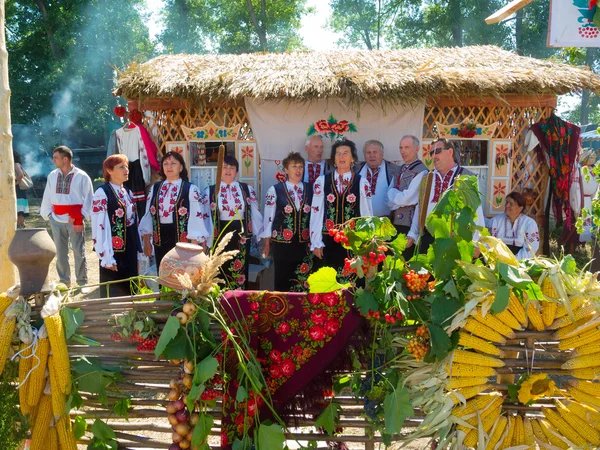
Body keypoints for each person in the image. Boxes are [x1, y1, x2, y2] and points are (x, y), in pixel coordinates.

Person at [407, 138, 486, 255]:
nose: (433, 156)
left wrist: (477, 243)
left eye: (437, 151)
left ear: (450, 152)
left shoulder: (467, 177)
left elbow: (476, 212)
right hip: (428, 239)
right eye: (431, 153)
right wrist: (412, 234)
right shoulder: (427, 178)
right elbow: (420, 207)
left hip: (456, 240)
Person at [310, 138, 373, 275]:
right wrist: (316, 242)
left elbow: (367, 215)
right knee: (329, 282)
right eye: (338, 153)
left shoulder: (362, 182)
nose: (341, 156)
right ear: (333, 159)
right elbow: (316, 213)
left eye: (345, 153)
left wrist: (366, 244)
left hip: (353, 241)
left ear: (353, 158)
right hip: (328, 240)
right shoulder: (322, 181)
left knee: (351, 283)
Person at [199, 155, 263, 289]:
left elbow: (255, 213)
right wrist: (204, 239)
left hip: (241, 235)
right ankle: (221, 300)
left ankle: (239, 299)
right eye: (224, 168)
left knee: (240, 267)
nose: (228, 171)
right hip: (219, 233)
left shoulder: (246, 190)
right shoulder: (210, 191)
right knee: (219, 267)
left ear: (237, 171)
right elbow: (205, 216)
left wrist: (259, 235)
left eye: (232, 168)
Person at [40, 145, 93, 292]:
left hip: (74, 219)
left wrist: (80, 216)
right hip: (56, 219)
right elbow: (48, 195)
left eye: (55, 157)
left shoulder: (82, 176)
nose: (53, 160)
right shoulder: (52, 175)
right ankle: (64, 281)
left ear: (65, 159)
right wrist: (49, 214)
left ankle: (82, 282)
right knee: (60, 252)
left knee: (78, 251)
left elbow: (89, 198)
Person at [139, 151, 204, 269]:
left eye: (173, 163)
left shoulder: (190, 189)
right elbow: (149, 215)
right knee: (163, 272)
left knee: (181, 274)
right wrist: (147, 241)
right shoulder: (155, 188)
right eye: (166, 164)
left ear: (181, 167)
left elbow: (196, 218)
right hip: (160, 237)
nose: (169, 167)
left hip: (182, 239)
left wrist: (194, 246)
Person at [262, 152, 314, 292]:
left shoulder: (310, 189)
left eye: (301, 167)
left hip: (304, 245)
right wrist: (267, 244)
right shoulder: (275, 190)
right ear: (286, 169)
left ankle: (301, 311)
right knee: (282, 279)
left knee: (303, 279)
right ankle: (282, 311)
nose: (298, 170)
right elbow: (269, 218)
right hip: (281, 244)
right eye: (294, 166)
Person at [91, 155, 142, 297]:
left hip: (130, 247)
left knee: (130, 286)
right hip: (113, 248)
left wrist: (138, 248)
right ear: (109, 170)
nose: (126, 170)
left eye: (126, 166)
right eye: (121, 167)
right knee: (114, 289)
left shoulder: (128, 192)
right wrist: (106, 256)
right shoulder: (103, 192)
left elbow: (133, 222)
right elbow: (98, 225)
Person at [387, 136, 428, 236]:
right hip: (394, 222)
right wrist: (397, 198)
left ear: (417, 149)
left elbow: (407, 199)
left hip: (409, 225)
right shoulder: (400, 169)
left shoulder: (422, 171)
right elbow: (387, 196)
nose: (403, 151)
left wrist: (395, 196)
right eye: (401, 148)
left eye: (406, 147)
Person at [354, 140, 401, 217]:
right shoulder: (355, 170)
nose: (372, 155)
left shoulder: (394, 171)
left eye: (375, 152)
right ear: (364, 155)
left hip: (386, 221)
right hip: (361, 220)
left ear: (382, 154)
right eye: (368, 152)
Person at [488, 191, 540, 259]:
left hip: (521, 261)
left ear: (520, 208)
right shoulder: (495, 221)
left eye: (511, 204)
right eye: (506, 202)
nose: (507, 205)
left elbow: (531, 248)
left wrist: (514, 261)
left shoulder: (529, 223)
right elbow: (488, 242)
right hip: (498, 259)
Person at [13, 151, 29, 228]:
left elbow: (20, 175)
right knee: (19, 208)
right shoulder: (17, 164)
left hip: (18, 189)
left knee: (19, 208)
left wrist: (16, 183)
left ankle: (20, 224)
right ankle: (20, 224)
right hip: (19, 189)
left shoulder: (16, 164)